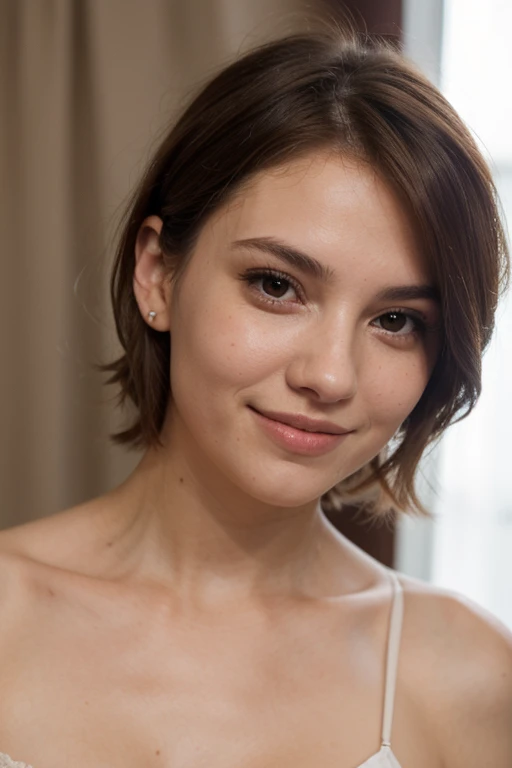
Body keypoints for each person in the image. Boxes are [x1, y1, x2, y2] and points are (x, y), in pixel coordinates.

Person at [0, 27, 511, 768]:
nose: (330, 375)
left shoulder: (471, 678)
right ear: (157, 275)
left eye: (396, 321)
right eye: (277, 286)